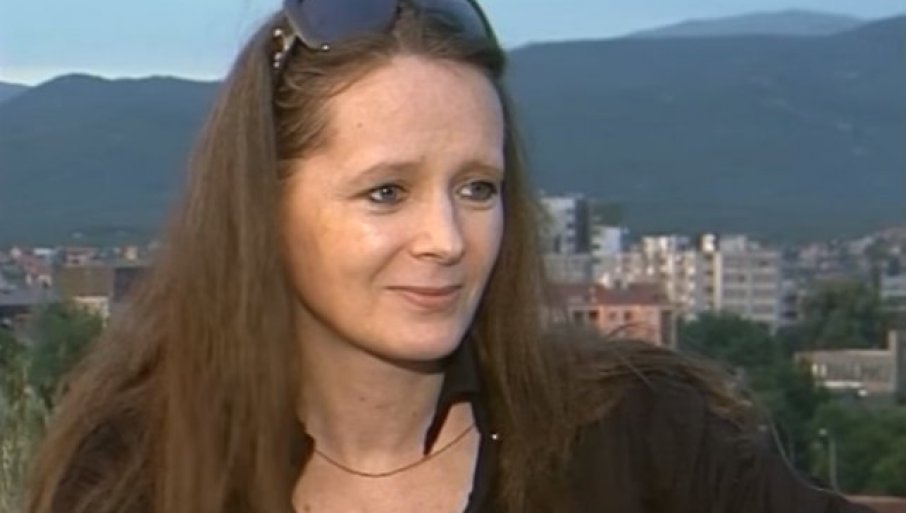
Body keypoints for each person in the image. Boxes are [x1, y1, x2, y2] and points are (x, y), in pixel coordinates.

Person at [25, 1, 876, 512]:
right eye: (386, 191)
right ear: (264, 210)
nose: (446, 237)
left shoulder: (642, 436)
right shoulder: (137, 474)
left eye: (476, 187)